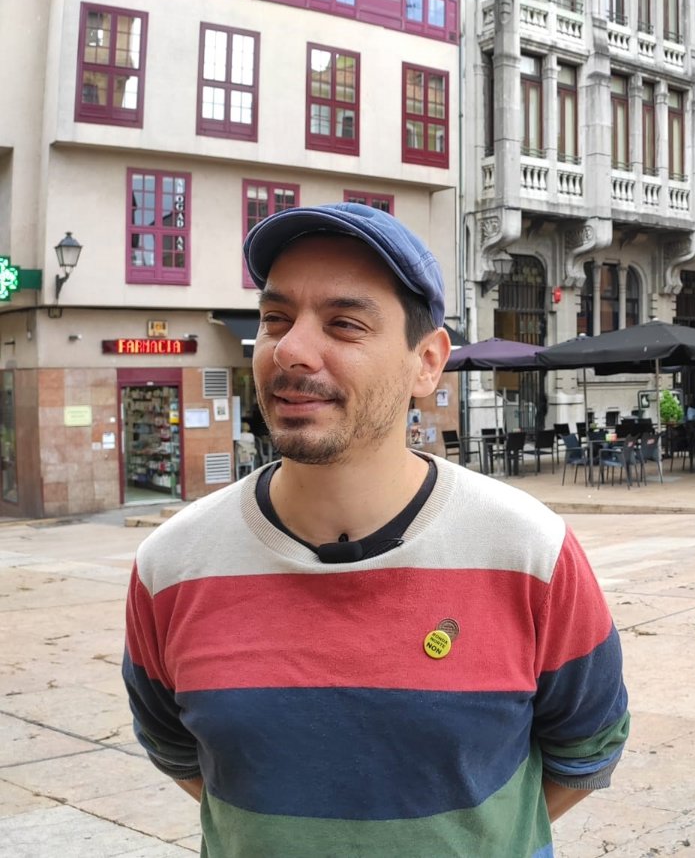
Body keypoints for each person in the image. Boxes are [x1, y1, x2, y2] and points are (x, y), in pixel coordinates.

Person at [122, 203, 630, 856]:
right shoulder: (171, 565)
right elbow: (172, 747)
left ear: (427, 362)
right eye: (276, 319)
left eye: (344, 324)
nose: (290, 349)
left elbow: (588, 747)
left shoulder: (530, 552)